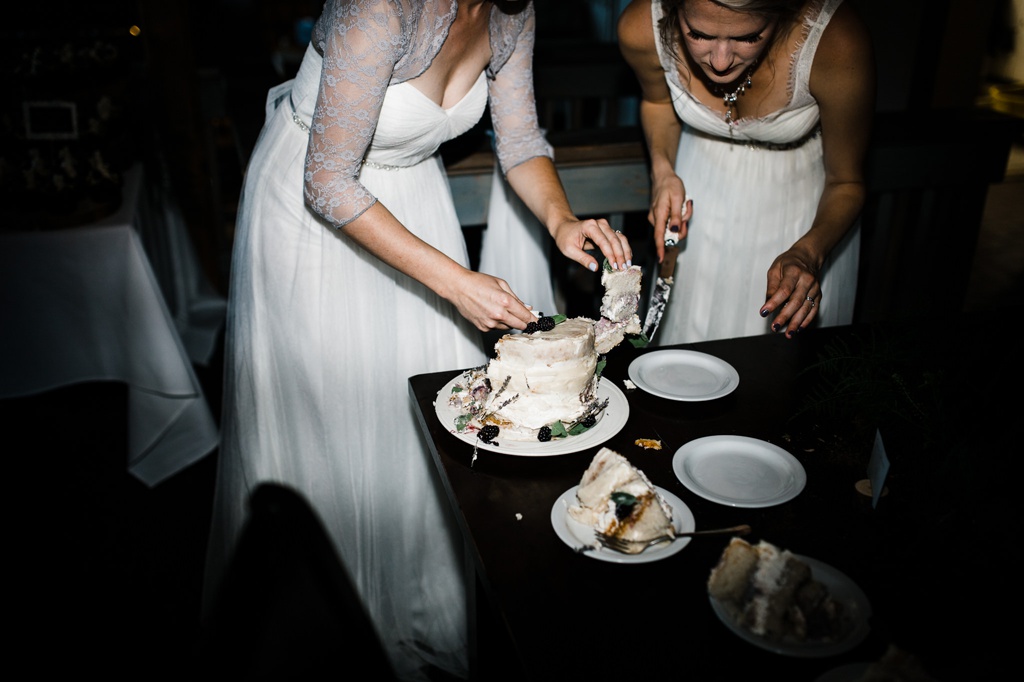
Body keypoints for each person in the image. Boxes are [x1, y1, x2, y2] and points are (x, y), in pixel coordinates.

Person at [202, 1, 633, 680]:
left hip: (415, 208)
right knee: (338, 421)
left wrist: (561, 221)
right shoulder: (379, 10)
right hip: (316, 220)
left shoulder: (513, 10)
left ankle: (416, 608)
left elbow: (519, 140)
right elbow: (328, 182)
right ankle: (329, 627)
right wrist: (456, 283)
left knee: (418, 425)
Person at [617, 0, 875, 342]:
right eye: (698, 34)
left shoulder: (837, 41)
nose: (720, 61)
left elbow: (847, 181)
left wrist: (810, 252)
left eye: (749, 37)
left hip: (801, 219)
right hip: (698, 206)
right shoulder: (640, 27)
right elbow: (658, 102)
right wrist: (663, 172)